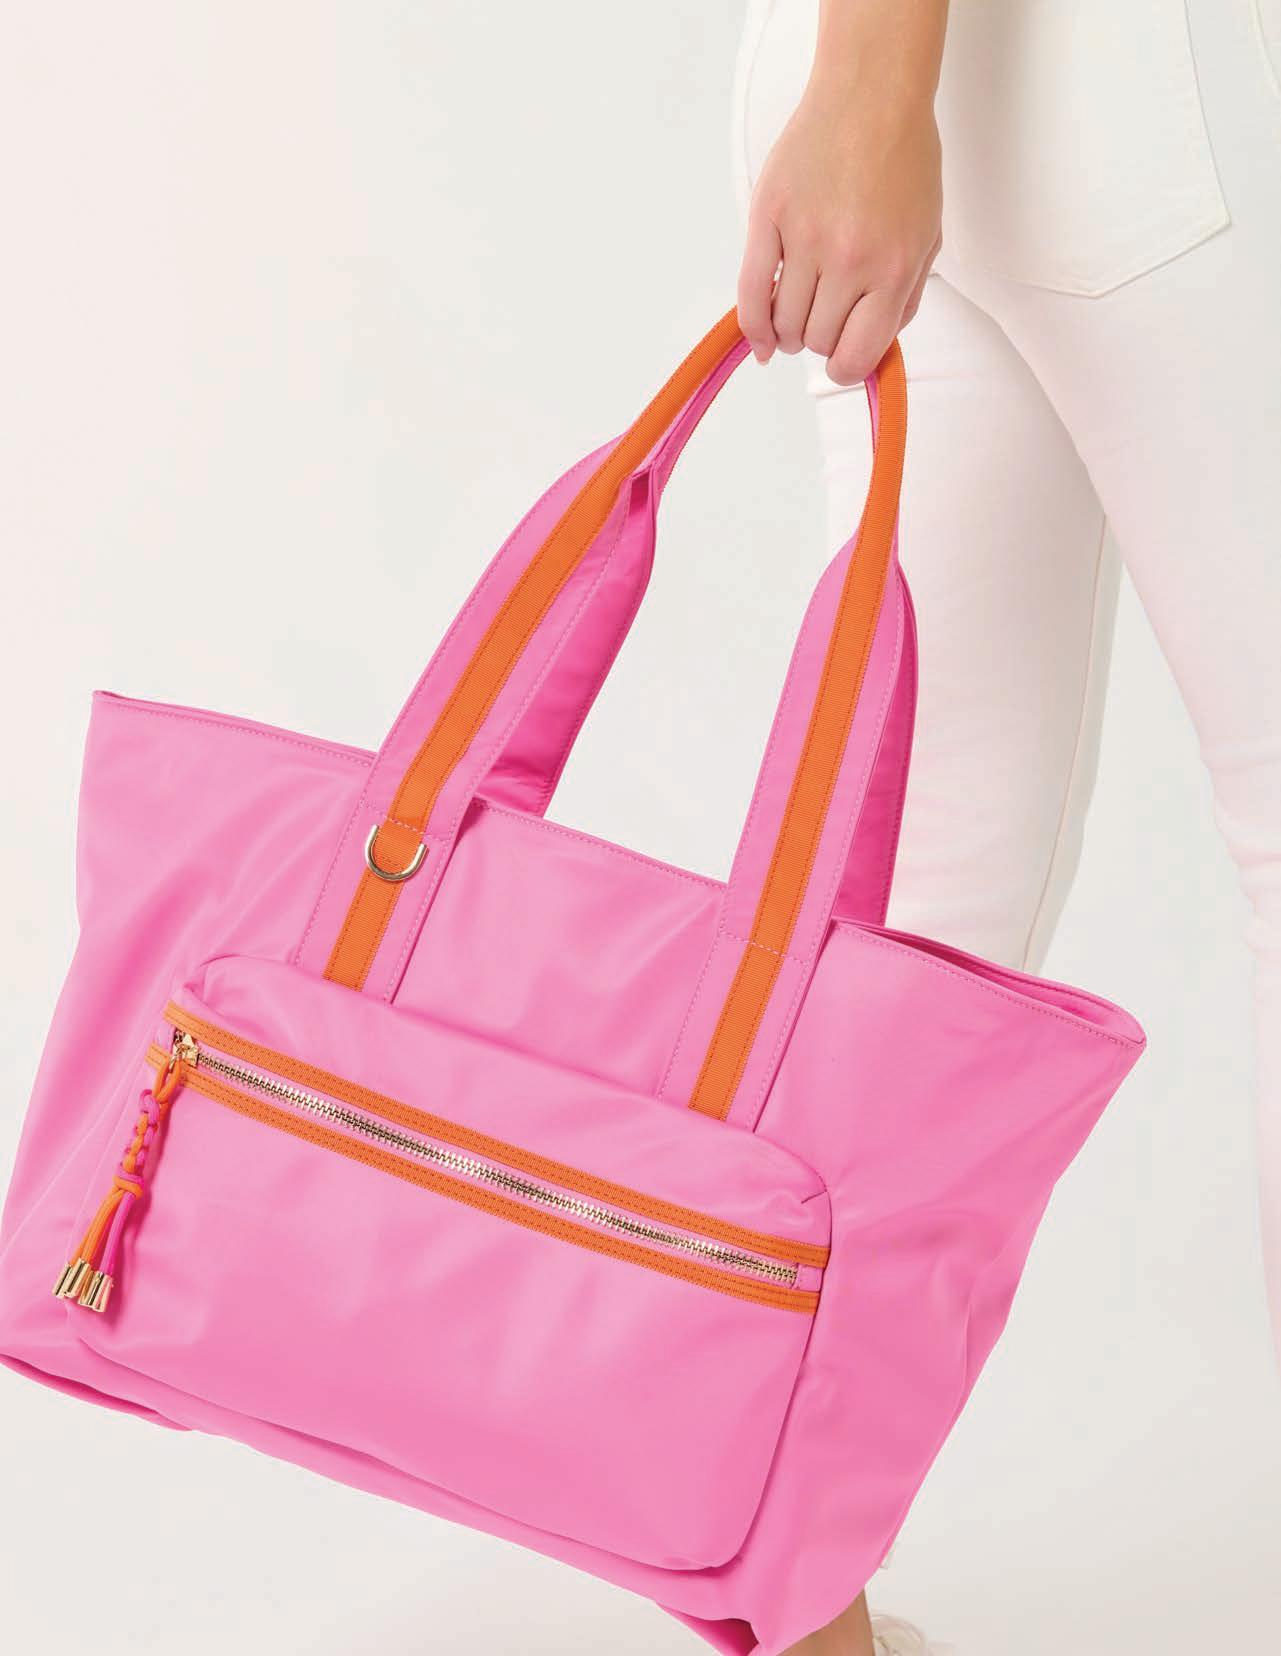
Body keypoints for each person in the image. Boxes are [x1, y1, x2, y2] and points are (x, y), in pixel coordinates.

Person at [732, 1, 1281, 1652]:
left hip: (902, 88)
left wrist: (859, 83)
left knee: (908, 910)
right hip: (1146, 90)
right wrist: (870, 81)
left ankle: (789, 1606)